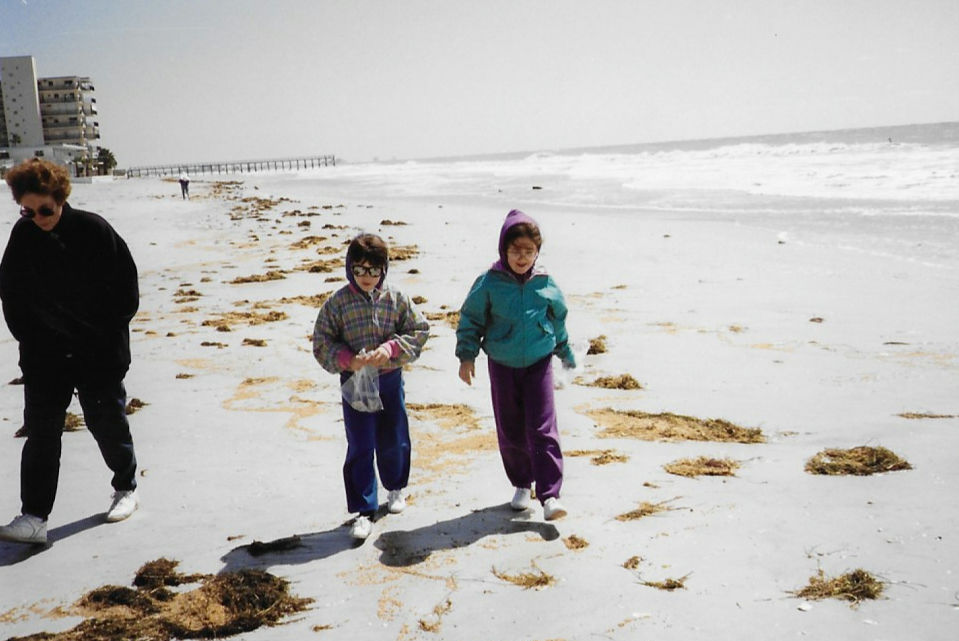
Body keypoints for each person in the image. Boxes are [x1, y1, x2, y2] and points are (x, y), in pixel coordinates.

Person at [0, 158, 140, 545]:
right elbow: (10, 295)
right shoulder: (23, 237)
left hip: (97, 353)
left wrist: (100, 335)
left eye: (46, 209)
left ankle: (126, 487)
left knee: (106, 422)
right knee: (42, 433)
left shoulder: (94, 230)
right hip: (46, 356)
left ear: (61, 199)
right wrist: (30, 338)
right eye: (28, 210)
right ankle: (34, 517)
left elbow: (127, 292)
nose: (39, 218)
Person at [455, 209, 575, 521]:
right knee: (510, 428)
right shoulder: (488, 283)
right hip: (502, 365)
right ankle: (522, 483)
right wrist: (466, 356)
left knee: (542, 427)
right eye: (515, 250)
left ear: (537, 252)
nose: (522, 257)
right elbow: (470, 319)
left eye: (528, 251)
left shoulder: (545, 283)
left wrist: (565, 352)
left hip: (539, 362)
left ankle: (550, 495)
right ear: (503, 250)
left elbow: (558, 319)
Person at [312, 233, 429, 540]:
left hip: (389, 380)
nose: (366, 276)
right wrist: (346, 359)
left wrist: (390, 349)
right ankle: (364, 511)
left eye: (373, 270)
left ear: (384, 270)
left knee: (394, 437)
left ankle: (395, 489)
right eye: (359, 269)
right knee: (361, 444)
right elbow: (321, 342)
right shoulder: (336, 304)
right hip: (355, 385)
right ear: (350, 268)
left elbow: (419, 329)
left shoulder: (395, 297)